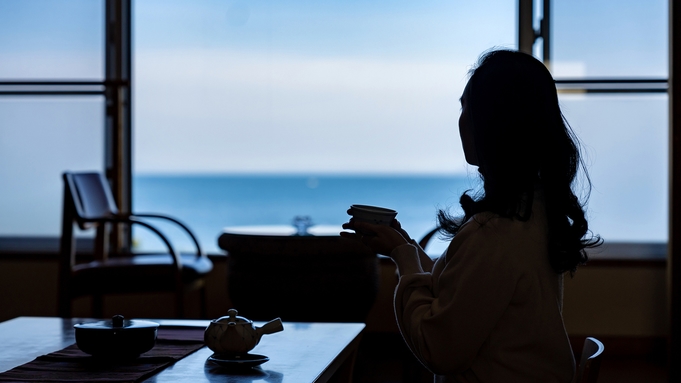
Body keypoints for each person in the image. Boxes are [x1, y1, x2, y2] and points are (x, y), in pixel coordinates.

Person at [341, 49, 601, 383]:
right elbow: (467, 293)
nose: (461, 119)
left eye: (467, 107)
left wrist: (402, 258)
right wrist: (405, 246)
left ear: (494, 123)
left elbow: (438, 349)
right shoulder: (533, 211)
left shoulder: (495, 232)